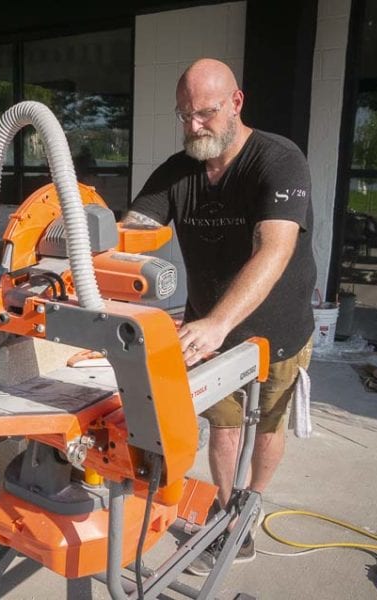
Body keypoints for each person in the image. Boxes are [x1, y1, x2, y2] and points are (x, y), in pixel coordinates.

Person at [123, 58, 316, 574]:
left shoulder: (278, 160)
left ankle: (253, 501)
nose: (193, 127)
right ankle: (230, 517)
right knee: (225, 428)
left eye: (205, 113)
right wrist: (85, 242)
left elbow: (273, 250)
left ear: (236, 102)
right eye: (184, 115)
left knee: (268, 423)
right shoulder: (178, 170)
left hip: (277, 328)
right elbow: (132, 233)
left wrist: (216, 322)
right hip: (211, 331)